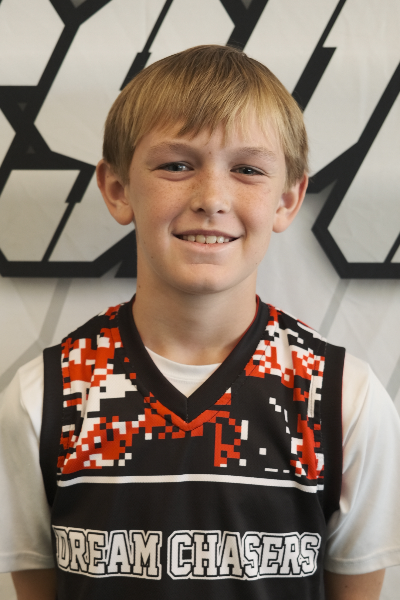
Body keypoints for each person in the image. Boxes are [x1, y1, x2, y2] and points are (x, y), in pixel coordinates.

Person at [1, 45, 399, 600]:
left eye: (247, 169)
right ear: (117, 189)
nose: (212, 198)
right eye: (176, 165)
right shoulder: (45, 397)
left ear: (287, 198)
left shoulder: (341, 399)